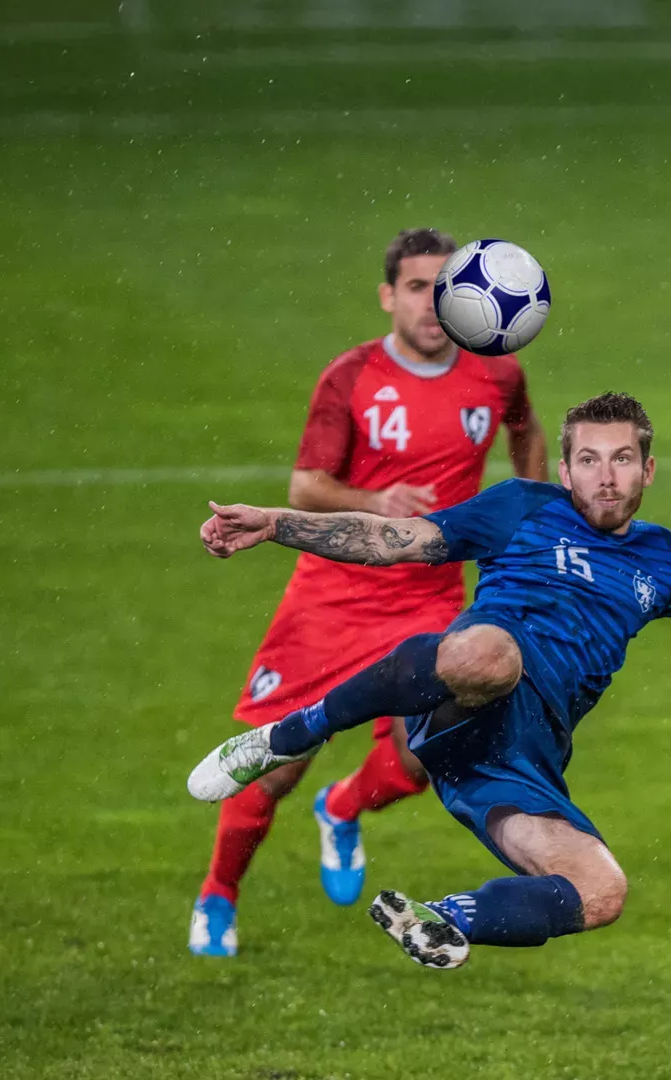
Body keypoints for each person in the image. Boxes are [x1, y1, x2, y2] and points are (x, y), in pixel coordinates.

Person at [189, 392, 671, 969]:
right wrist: (279, 522)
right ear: (563, 468)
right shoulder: (522, 508)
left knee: (600, 890)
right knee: (491, 656)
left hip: (518, 757)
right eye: (588, 459)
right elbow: (394, 540)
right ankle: (289, 734)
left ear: (649, 469)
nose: (606, 476)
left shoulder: (663, 561)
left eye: (622, 459)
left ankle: (446, 918)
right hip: (462, 689)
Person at [188, 227, 549, 957]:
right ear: (388, 296)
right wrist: (373, 500)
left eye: (439, 286)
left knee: (426, 761)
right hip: (332, 598)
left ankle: (343, 806)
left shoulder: (496, 373)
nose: (428, 303)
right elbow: (304, 487)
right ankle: (218, 895)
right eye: (414, 287)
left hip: (430, 599)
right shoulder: (349, 378)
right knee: (276, 764)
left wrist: (533, 509)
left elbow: (526, 431)